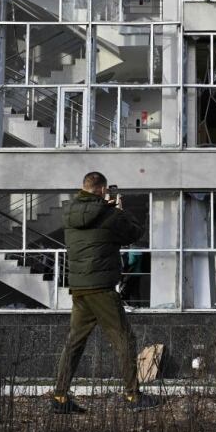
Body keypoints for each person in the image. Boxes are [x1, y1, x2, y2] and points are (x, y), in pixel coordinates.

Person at [52, 172, 160, 413]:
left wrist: (106, 208)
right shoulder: (109, 214)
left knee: (75, 343)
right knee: (124, 339)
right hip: (101, 286)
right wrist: (119, 209)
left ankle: (60, 397)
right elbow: (135, 233)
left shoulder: (70, 213)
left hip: (80, 287)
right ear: (102, 190)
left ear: (84, 188)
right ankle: (132, 395)